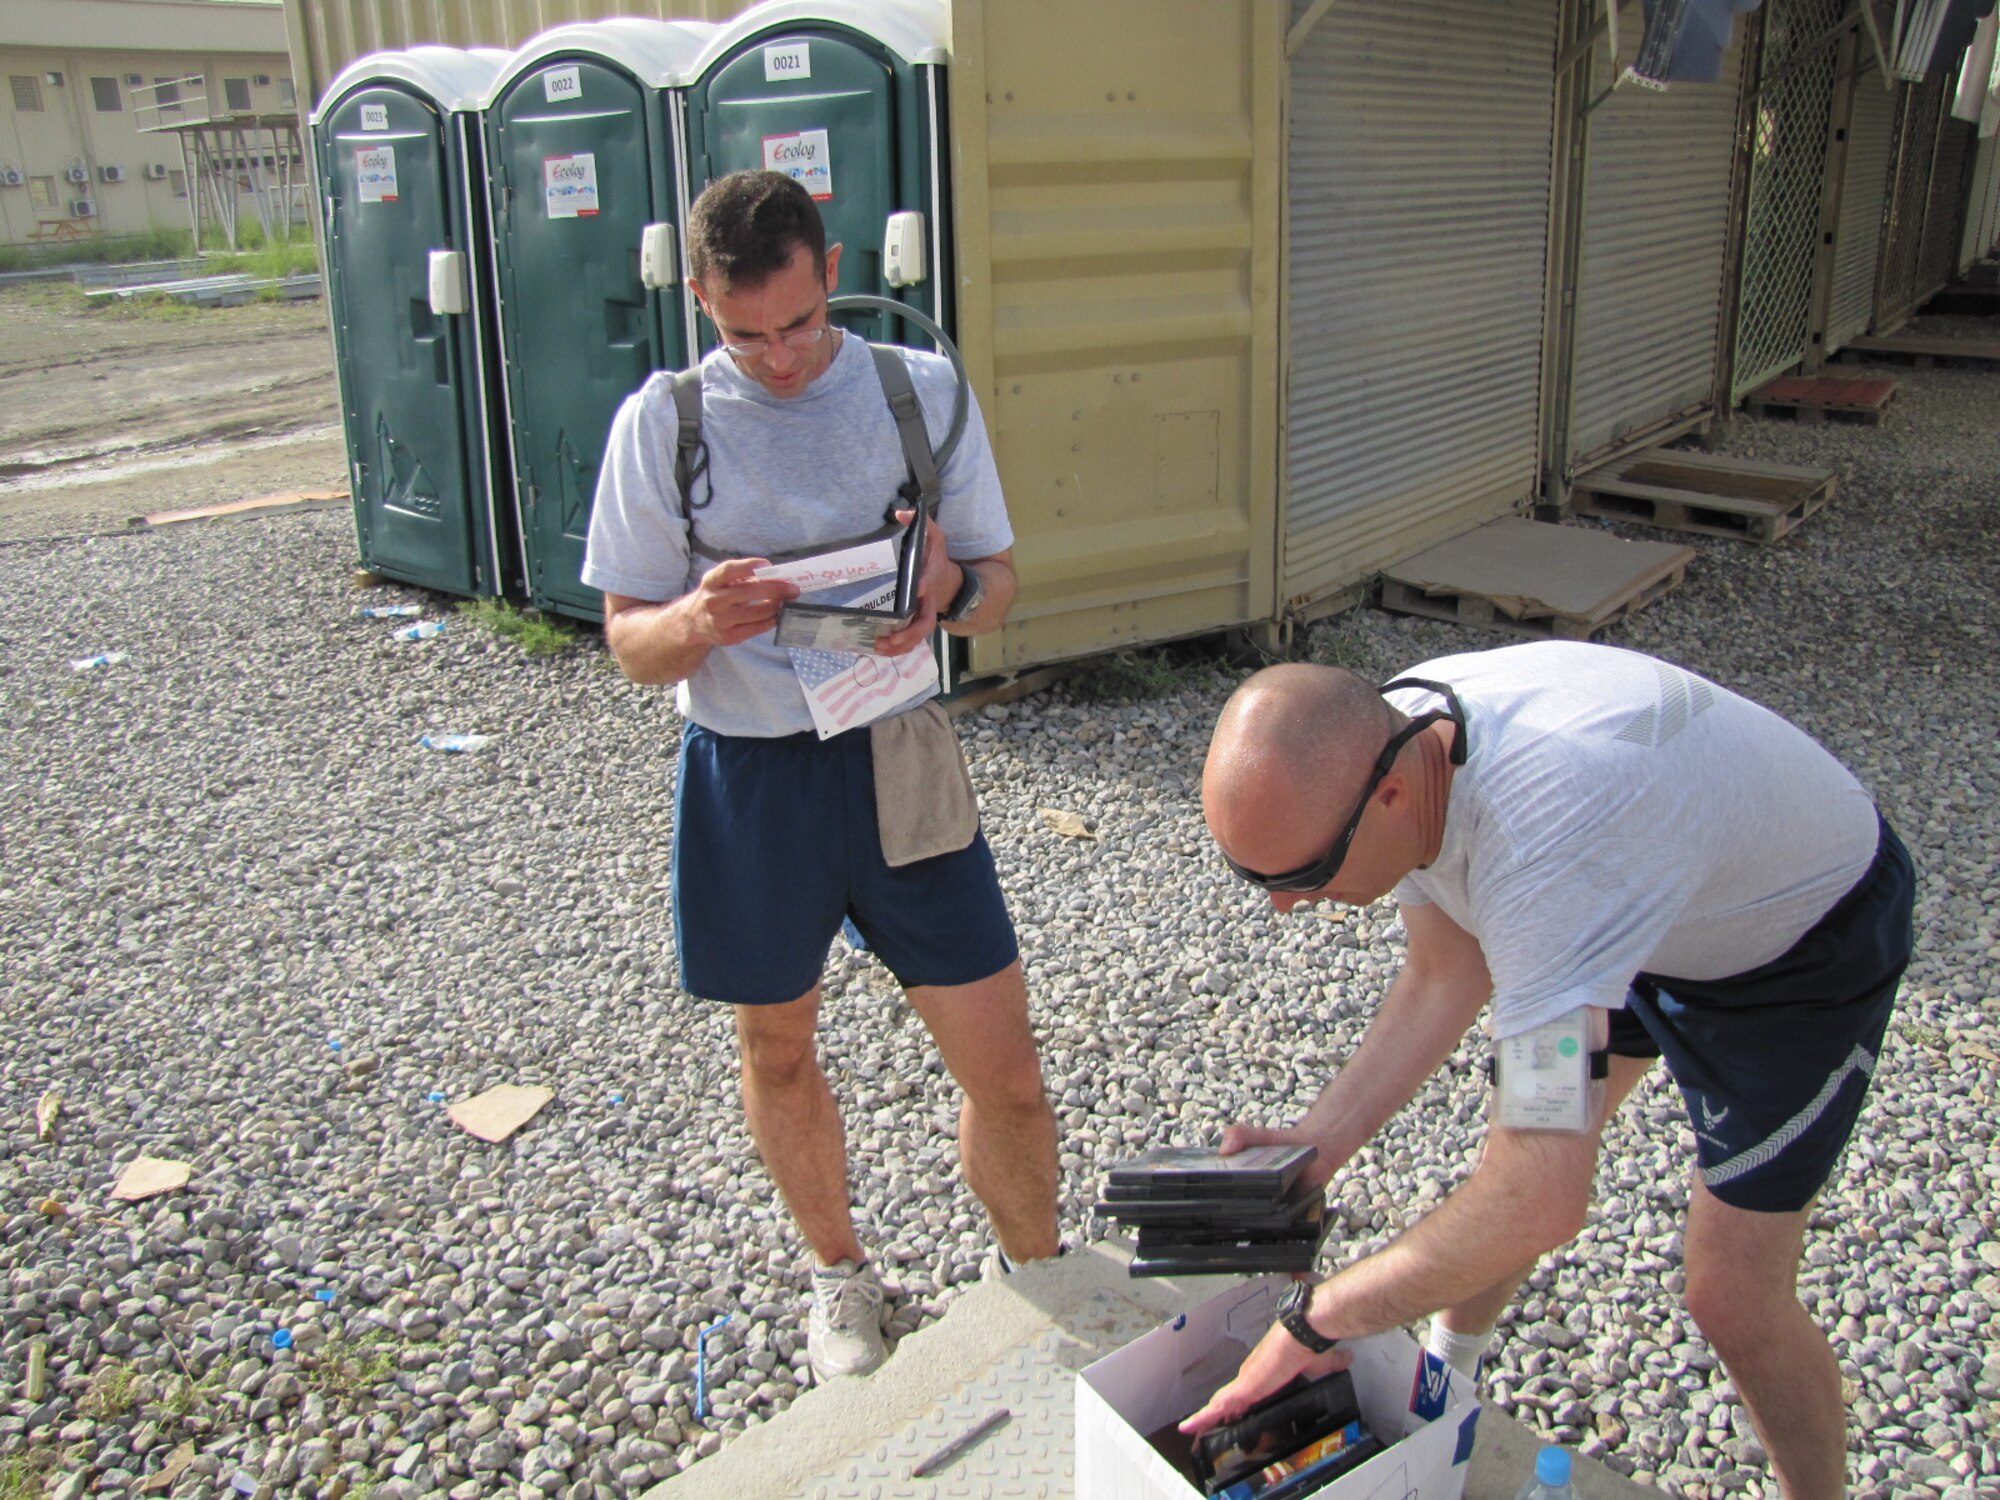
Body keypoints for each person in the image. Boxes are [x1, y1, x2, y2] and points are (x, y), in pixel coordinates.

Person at [1184, 641, 1914, 1500]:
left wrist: (1317, 1321)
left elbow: (1540, 1192)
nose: (1282, 905)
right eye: (1252, 876)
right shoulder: (1401, 739)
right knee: (1516, 1160)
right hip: (1640, 893)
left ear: (1387, 796)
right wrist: (1316, 1142)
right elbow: (1444, 971)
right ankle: (1447, 1383)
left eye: (1300, 874)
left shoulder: (1546, 851)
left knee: (1730, 1292)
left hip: (1794, 948)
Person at [581, 170, 1059, 1384]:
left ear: (831, 269)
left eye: (798, 323)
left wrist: (947, 593)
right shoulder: (663, 422)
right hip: (748, 777)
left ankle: (1039, 1282)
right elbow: (629, 643)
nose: (782, 357)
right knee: (777, 1049)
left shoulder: (919, 393)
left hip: (900, 761)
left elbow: (1000, 584)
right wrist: (692, 619)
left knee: (1003, 1068)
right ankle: (842, 1280)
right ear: (698, 297)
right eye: (746, 333)